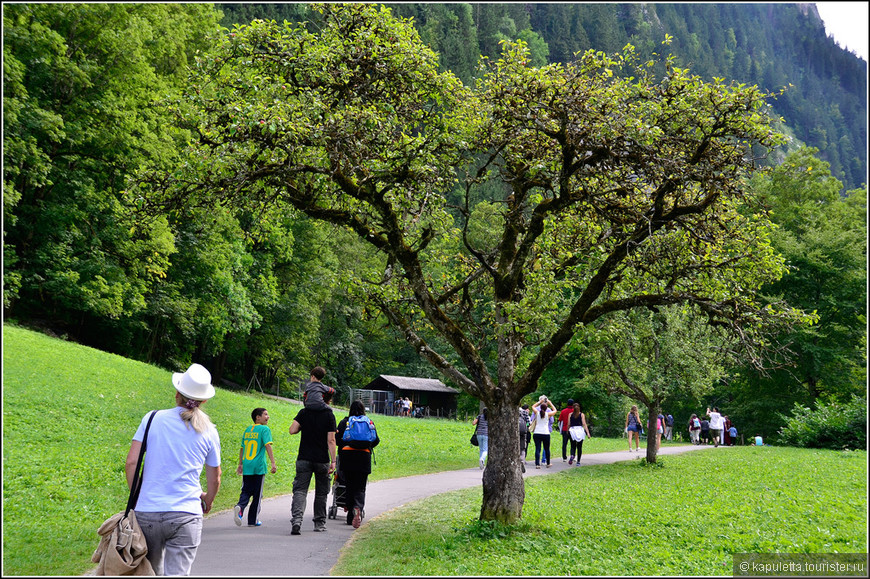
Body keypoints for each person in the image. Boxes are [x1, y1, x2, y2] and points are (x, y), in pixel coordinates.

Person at [125, 363, 221, 576]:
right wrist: (208, 499)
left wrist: (139, 494)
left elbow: (131, 462)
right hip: (186, 513)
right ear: (204, 400)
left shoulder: (152, 419)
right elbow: (215, 478)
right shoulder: (210, 431)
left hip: (147, 512)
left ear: (176, 393)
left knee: (148, 572)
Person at [289, 387, 337, 535]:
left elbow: (292, 430)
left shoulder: (304, 413)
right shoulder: (329, 414)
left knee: (300, 490)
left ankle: (297, 521)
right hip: (322, 459)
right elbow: (331, 440)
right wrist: (333, 461)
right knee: (321, 493)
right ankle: (319, 523)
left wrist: (304, 426)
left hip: (304, 457)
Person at [336, 400, 380, 529]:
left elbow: (338, 440)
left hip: (348, 457)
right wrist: (366, 446)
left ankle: (350, 516)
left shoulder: (345, 422)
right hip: (363, 457)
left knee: (349, 486)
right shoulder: (369, 421)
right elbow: (376, 440)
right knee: (360, 487)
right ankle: (358, 507)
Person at [234, 407, 277, 527]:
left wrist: (240, 464)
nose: (268, 417)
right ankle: (253, 520)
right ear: (258, 417)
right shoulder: (264, 429)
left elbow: (242, 448)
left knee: (246, 490)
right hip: (258, 466)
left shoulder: (248, 429)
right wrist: (273, 463)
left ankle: (240, 507)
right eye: (265, 414)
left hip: (247, 465)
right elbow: (268, 446)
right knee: (257, 494)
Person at [530, 396, 558, 468]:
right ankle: (548, 463)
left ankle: (537, 464)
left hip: (537, 433)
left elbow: (533, 406)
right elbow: (555, 410)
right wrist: (550, 403)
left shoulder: (537, 413)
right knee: (547, 449)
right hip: (545, 433)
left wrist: (540, 402)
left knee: (537, 449)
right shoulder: (548, 414)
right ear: (546, 409)